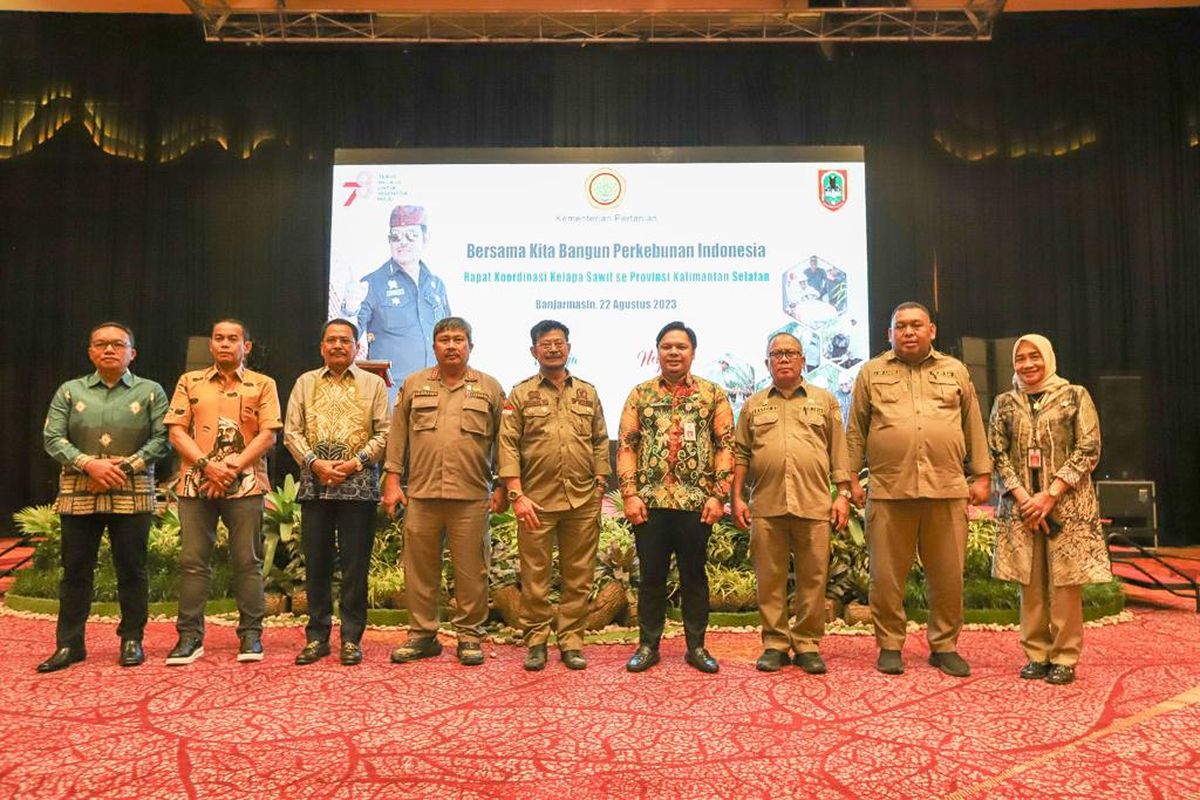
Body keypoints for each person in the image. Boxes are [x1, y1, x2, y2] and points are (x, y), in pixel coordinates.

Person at [846, 302, 991, 677]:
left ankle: (944, 645)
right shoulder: (871, 372)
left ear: (932, 330)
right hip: (889, 490)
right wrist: (847, 479)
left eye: (916, 325)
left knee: (947, 575)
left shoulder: (954, 370)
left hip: (946, 488)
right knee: (886, 577)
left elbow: (972, 423)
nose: (908, 332)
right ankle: (890, 644)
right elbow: (855, 430)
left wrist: (982, 474)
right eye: (900, 327)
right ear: (888, 334)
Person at [37, 323, 170, 672]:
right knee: (75, 571)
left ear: (132, 353)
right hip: (80, 490)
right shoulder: (69, 391)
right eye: (101, 344)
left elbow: (163, 439)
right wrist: (89, 466)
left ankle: (131, 640)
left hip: (133, 489)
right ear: (90, 351)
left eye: (117, 344)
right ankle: (69, 645)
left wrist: (119, 470)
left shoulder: (151, 391)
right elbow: (52, 438)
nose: (109, 350)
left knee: (133, 569)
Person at [381, 317, 506, 667]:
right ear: (434, 345)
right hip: (421, 494)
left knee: (471, 571)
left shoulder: (490, 388)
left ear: (470, 345)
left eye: (459, 339)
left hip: (470, 496)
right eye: (444, 339)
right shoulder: (415, 384)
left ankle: (469, 636)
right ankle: (422, 635)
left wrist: (503, 485)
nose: (451, 345)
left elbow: (504, 443)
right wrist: (391, 480)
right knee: (420, 569)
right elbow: (398, 436)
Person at [989, 334, 1112, 686]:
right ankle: (1036, 654)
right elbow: (997, 453)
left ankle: (1064, 656)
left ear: (1049, 358)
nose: (1028, 364)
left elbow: (1088, 448)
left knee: (1065, 584)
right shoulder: (1005, 403)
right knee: (1029, 582)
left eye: (1035, 357)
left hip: (1067, 505)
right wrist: (1024, 497)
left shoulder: (1074, 395)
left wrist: (1050, 494)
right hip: (1021, 507)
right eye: (1021, 358)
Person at [732, 332, 853, 674]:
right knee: (769, 578)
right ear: (766, 362)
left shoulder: (824, 400)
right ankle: (774, 643)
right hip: (766, 505)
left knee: (813, 577)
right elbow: (741, 452)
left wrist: (842, 495)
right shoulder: (754, 404)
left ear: (803, 360)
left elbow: (838, 452)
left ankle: (807, 643)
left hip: (814, 503)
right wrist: (738, 497)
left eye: (791, 353)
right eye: (776, 354)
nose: (783, 359)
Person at [617, 321, 734, 674]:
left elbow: (726, 446)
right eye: (667, 346)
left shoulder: (712, 394)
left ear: (692, 353)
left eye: (681, 347)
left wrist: (718, 496)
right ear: (657, 351)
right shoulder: (640, 394)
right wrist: (630, 494)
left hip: (696, 505)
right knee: (651, 577)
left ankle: (696, 647)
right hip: (649, 504)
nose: (673, 352)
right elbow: (626, 445)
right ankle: (648, 646)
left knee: (694, 577)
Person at [163, 319, 282, 665]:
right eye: (219, 338)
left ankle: (250, 635)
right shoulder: (190, 382)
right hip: (195, 484)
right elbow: (176, 432)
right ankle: (189, 637)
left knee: (248, 562)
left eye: (234, 339)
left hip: (245, 485)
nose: (226, 344)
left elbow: (268, 434)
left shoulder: (263, 384)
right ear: (211, 346)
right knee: (192, 562)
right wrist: (207, 466)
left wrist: (230, 467)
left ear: (246, 346)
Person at [498, 320, 610, 671]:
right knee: (535, 576)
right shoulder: (520, 394)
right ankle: (536, 640)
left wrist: (600, 482)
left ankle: (572, 640)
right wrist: (516, 494)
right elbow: (508, 446)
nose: (552, 349)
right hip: (536, 501)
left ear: (568, 348)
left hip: (581, 499)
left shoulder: (587, 393)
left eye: (559, 343)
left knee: (579, 575)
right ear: (534, 351)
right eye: (545, 344)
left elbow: (600, 440)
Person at [284, 319, 390, 667]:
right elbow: (292, 432)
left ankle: (351, 638)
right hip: (315, 487)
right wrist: (315, 464)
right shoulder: (305, 382)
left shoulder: (373, 385)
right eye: (332, 340)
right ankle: (317, 637)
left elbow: (384, 432)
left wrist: (353, 464)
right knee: (317, 565)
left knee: (355, 567)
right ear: (322, 347)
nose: (339, 346)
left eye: (346, 341)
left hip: (358, 487)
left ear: (357, 347)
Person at [356, 204, 451, 405]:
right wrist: (349, 308)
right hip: (392, 398)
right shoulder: (371, 284)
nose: (402, 242)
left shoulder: (436, 285)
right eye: (396, 236)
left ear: (425, 239)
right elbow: (351, 333)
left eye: (411, 236)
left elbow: (449, 336)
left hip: (437, 394)